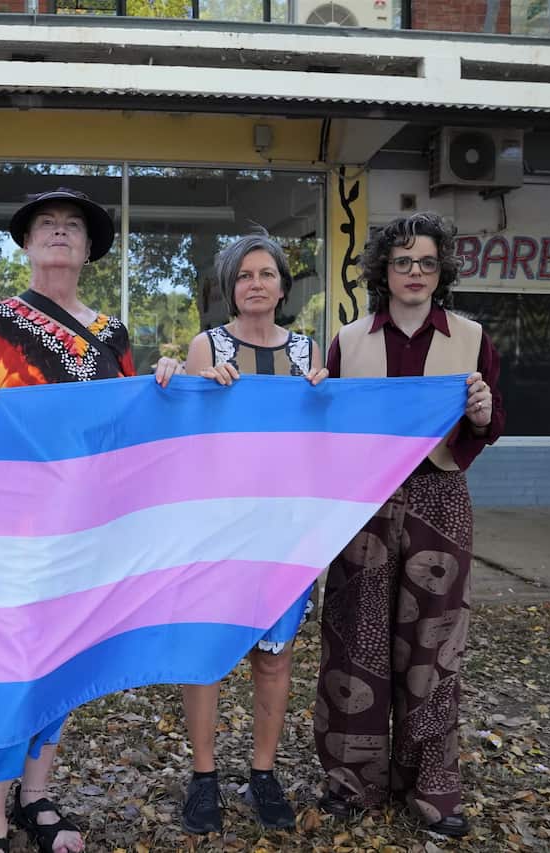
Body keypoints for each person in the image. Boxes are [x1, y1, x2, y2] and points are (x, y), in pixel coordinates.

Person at [0, 187, 131, 853]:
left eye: (72, 226)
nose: (59, 232)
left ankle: (37, 793)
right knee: (3, 658)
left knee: (64, 659)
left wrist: (166, 382)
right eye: (46, 223)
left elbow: (126, 426)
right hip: (4, 524)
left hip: (81, 526)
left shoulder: (112, 336)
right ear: (25, 242)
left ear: (88, 249)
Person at [314, 212, 503, 838]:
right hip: (364, 504)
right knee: (355, 637)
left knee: (434, 644)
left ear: (441, 269)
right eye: (402, 262)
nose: (415, 272)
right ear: (384, 272)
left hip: (440, 499)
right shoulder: (350, 340)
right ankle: (351, 780)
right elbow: (329, 428)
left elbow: (490, 420)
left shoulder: (473, 338)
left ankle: (430, 785)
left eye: (426, 261)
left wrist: (481, 413)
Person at [148, 232, 329, 835]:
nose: (256, 283)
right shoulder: (208, 346)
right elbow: (183, 440)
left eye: (267, 273)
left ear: (283, 285)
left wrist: (325, 402)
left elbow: (326, 444)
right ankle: (204, 778)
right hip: (217, 534)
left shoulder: (310, 356)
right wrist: (184, 381)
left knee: (274, 662)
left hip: (285, 535)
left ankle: (263, 773)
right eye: (245, 274)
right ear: (230, 287)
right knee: (206, 658)